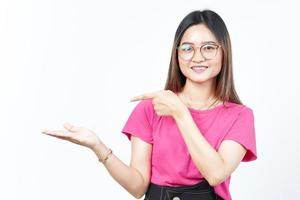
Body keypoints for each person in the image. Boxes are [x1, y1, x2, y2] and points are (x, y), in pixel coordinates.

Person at [42, 9, 257, 200]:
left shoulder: (240, 116)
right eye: (187, 48)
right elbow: (138, 187)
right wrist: (97, 146)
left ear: (223, 52)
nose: (197, 57)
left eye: (208, 48)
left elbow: (216, 174)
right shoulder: (151, 108)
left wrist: (181, 113)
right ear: (177, 54)